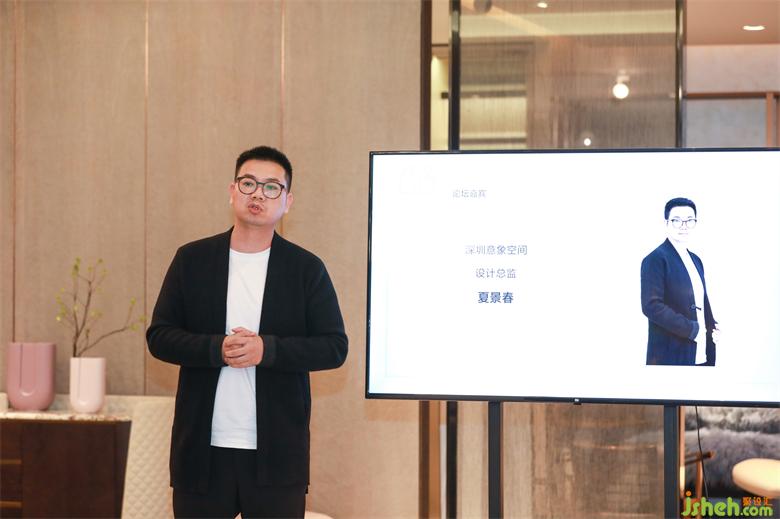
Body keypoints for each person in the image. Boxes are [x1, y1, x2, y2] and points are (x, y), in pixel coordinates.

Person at [147, 145, 348, 518]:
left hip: (277, 456)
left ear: (287, 201)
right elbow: (159, 336)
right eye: (248, 183)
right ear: (232, 191)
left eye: (272, 187)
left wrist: (266, 351)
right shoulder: (192, 260)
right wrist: (218, 349)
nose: (258, 194)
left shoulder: (305, 269)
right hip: (202, 453)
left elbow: (334, 347)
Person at [641, 197, 718, 366]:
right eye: (677, 220)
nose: (684, 226)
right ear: (666, 223)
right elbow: (651, 306)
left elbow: (701, 302)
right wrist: (692, 329)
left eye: (689, 220)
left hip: (701, 352)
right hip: (670, 354)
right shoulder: (655, 259)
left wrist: (711, 326)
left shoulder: (696, 260)